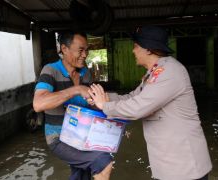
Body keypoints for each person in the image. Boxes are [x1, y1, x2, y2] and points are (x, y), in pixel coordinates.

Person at [88, 26, 212, 180]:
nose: (133, 51)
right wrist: (102, 97)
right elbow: (132, 97)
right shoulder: (154, 73)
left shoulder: (170, 71)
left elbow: (137, 107)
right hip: (170, 164)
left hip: (185, 166)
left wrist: (104, 106)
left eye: (135, 46)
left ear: (148, 49)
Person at [33, 31, 113, 180]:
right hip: (59, 137)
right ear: (64, 49)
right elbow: (38, 104)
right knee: (103, 162)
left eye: (86, 50)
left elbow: (90, 106)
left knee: (82, 174)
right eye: (80, 50)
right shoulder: (50, 70)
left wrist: (95, 103)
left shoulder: (85, 72)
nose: (85, 55)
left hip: (83, 134)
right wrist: (76, 90)